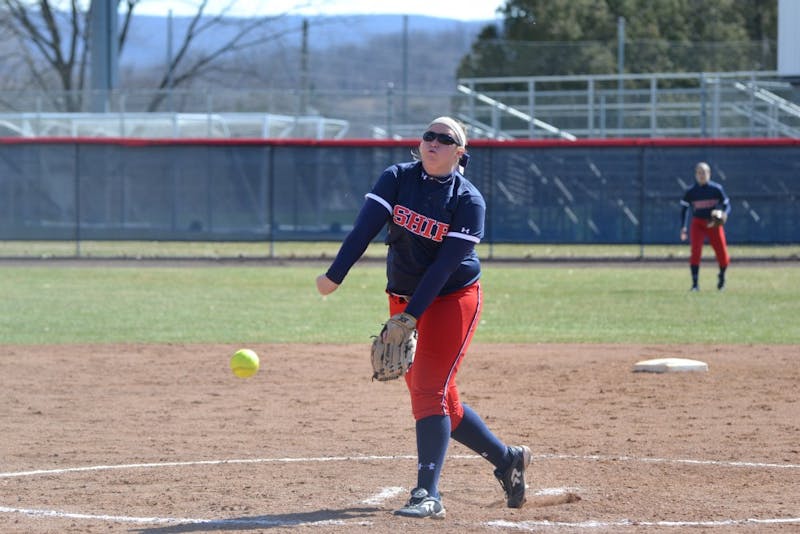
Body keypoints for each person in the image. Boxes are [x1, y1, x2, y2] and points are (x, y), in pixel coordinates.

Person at [315, 117, 531, 520]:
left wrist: (410, 317)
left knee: (430, 389)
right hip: (401, 297)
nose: (432, 142)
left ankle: (426, 494)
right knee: (438, 397)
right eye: (428, 135)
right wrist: (335, 275)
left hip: (452, 298)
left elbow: (444, 268)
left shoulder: (468, 200)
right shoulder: (397, 178)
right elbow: (364, 229)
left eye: (444, 138)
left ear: (460, 152)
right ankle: (507, 459)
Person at [679, 161, 731, 291]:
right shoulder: (691, 191)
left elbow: (727, 204)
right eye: (699, 172)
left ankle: (722, 277)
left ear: (709, 174)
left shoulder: (716, 189)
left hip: (713, 222)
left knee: (722, 252)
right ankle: (695, 284)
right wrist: (683, 227)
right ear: (695, 175)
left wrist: (724, 213)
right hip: (698, 223)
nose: (702, 175)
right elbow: (684, 209)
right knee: (695, 251)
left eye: (705, 172)